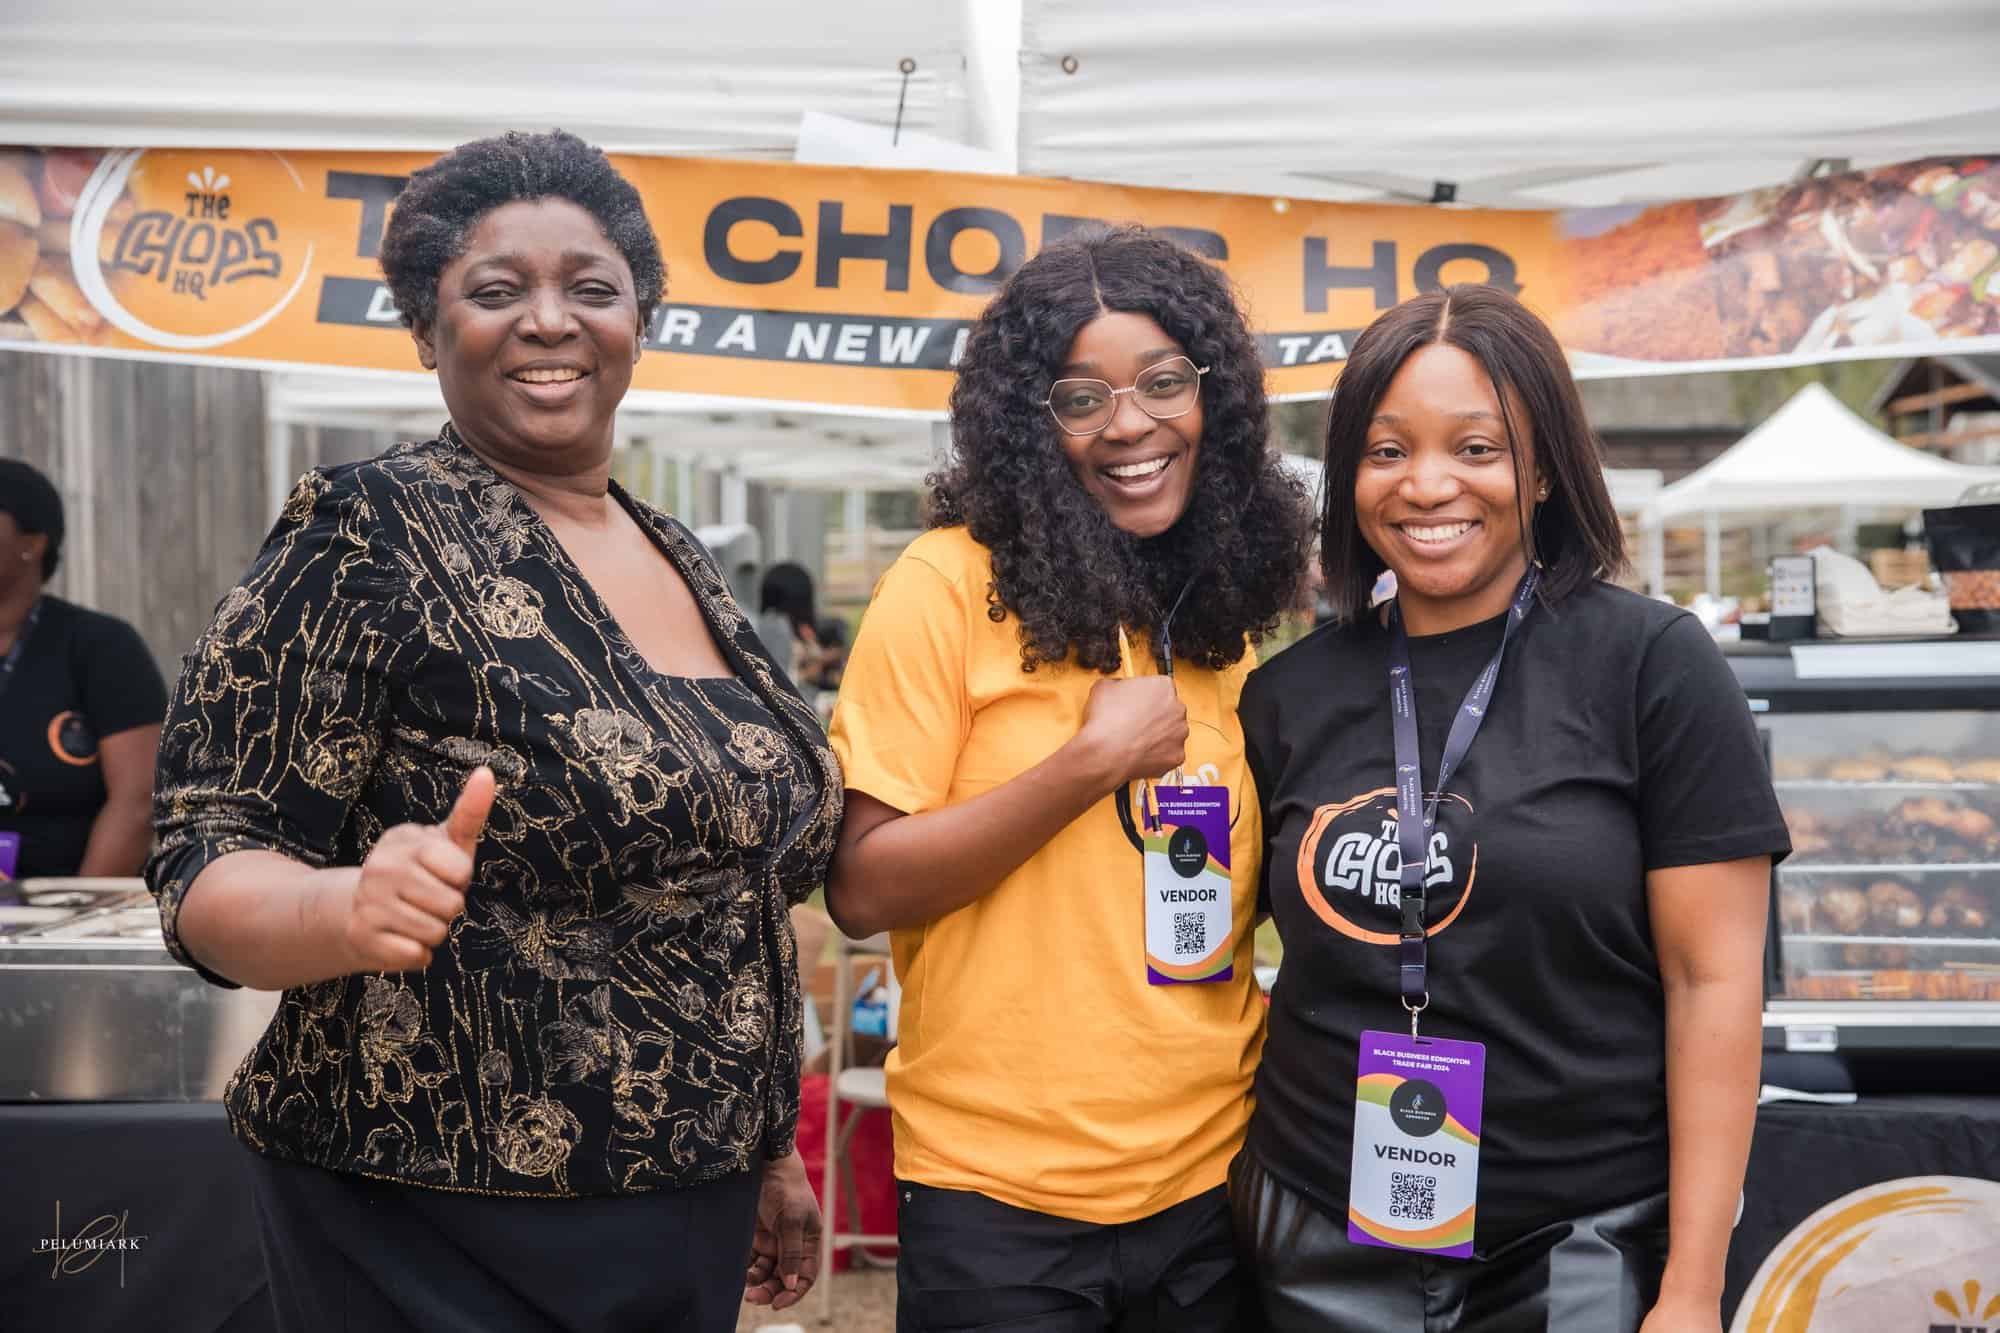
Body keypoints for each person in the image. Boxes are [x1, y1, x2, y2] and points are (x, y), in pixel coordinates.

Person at [144, 130, 841, 1332]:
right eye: (496, 289)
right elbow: (204, 848)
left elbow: (728, 891)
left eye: (590, 287)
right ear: (426, 329)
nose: (549, 320)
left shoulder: (671, 548)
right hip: (436, 1220)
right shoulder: (368, 531)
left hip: (682, 1201)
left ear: (640, 319)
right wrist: (340, 909)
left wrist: (767, 1144)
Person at [1234, 285, 1788, 1332]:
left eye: (1475, 448)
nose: (1426, 484)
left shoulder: (1650, 664)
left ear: (1538, 470)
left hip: (1578, 1236)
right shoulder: (1285, 693)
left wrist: (1690, 1287)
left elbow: (1710, 982)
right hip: (1315, 1222)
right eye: (1386, 449)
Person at [824, 226, 1313, 1329]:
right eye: (1078, 396)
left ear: (1215, 401)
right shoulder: (946, 585)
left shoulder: (1219, 612)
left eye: (1162, 383)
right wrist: (1084, 765)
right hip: (997, 1197)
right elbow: (858, 886)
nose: (1128, 423)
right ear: (1026, 426)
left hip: (1210, 1177)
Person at [0, 458, 164, 884]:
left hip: (69, 917)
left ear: (33, 543)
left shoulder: (101, 647)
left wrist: (72, 914)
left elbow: (137, 802)